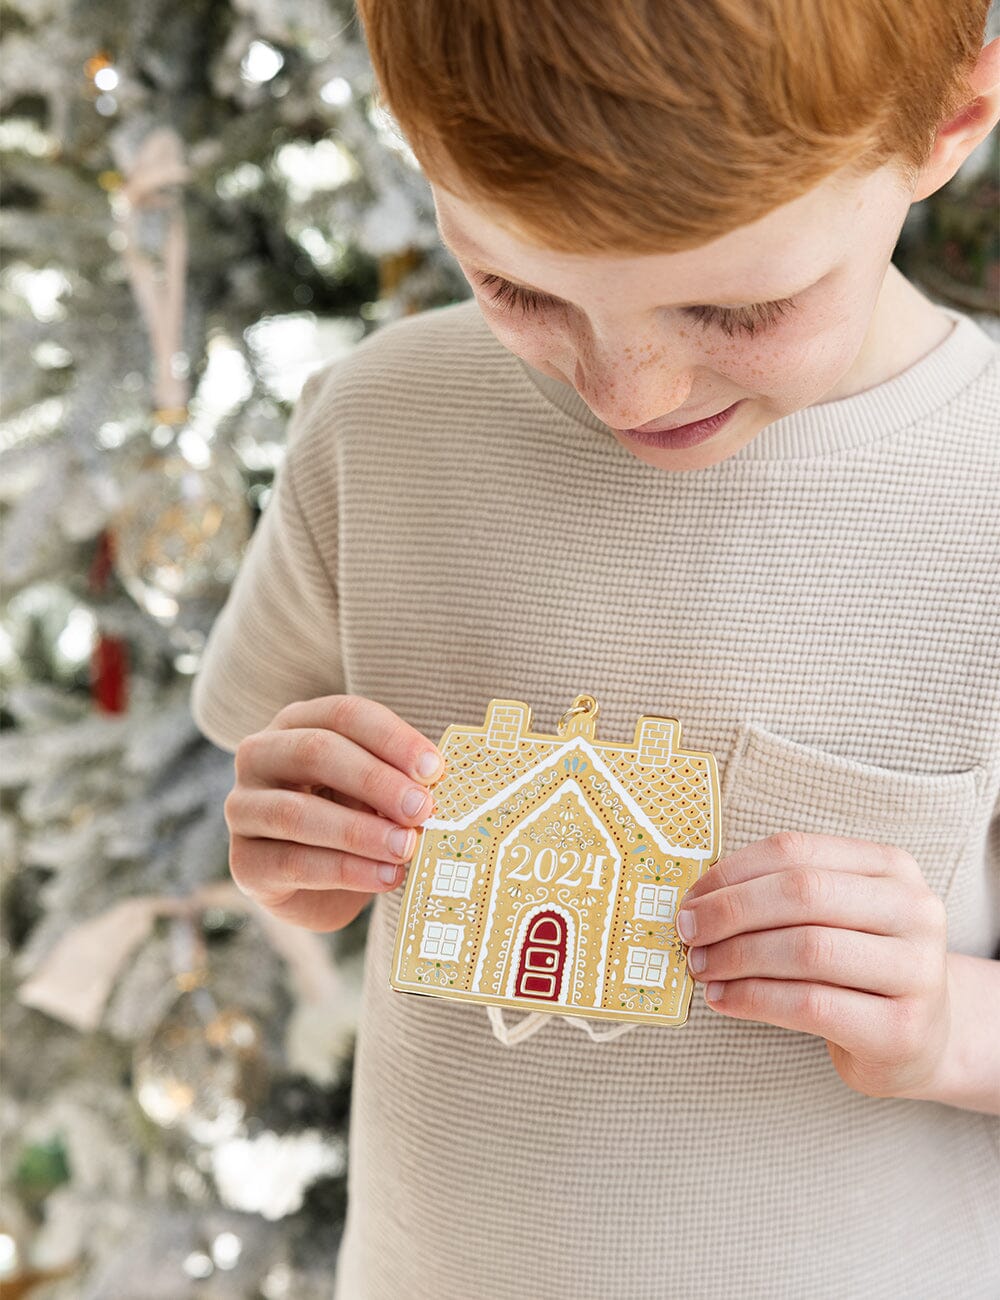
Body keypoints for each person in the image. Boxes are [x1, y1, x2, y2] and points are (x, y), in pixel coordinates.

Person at [190, 1, 1000, 1295]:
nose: (632, 392)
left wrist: (950, 1025)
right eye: (516, 285)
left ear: (949, 120)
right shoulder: (384, 426)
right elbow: (285, 825)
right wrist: (301, 854)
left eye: (738, 307)